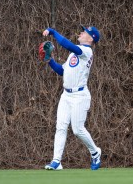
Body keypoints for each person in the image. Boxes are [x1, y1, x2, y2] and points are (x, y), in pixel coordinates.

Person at [41, 25, 102, 171]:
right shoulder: (74, 54)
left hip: (80, 95)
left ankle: (95, 152)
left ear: (91, 38)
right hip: (66, 95)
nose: (81, 33)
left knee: (77, 129)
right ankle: (56, 161)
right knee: (60, 127)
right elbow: (62, 71)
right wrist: (50, 61)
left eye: (85, 32)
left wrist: (53, 32)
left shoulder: (86, 51)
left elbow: (67, 45)